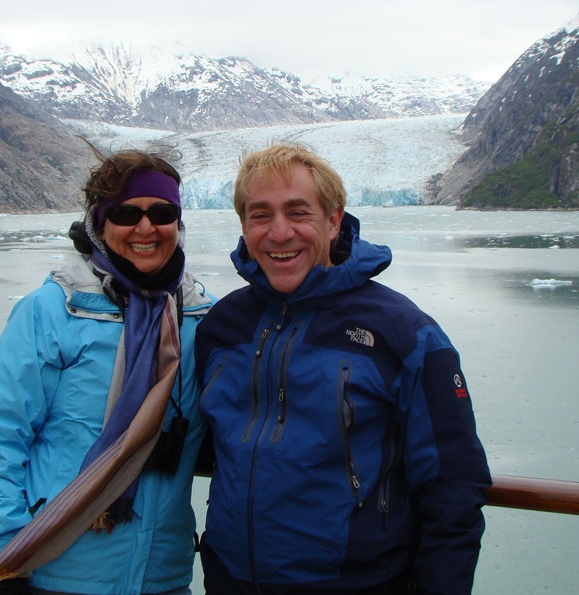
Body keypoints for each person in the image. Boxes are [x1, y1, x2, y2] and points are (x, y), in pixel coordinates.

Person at [194, 143, 491, 594]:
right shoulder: (223, 326)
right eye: (260, 215)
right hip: (229, 581)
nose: (279, 233)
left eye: (298, 212)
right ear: (243, 224)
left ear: (333, 221)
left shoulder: (403, 334)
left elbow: (454, 489)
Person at [0, 144, 213, 595]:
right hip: (56, 571)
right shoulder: (53, 311)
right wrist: (6, 560)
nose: (145, 227)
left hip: (163, 578)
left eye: (161, 212)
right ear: (99, 224)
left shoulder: (199, 319)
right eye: (124, 214)